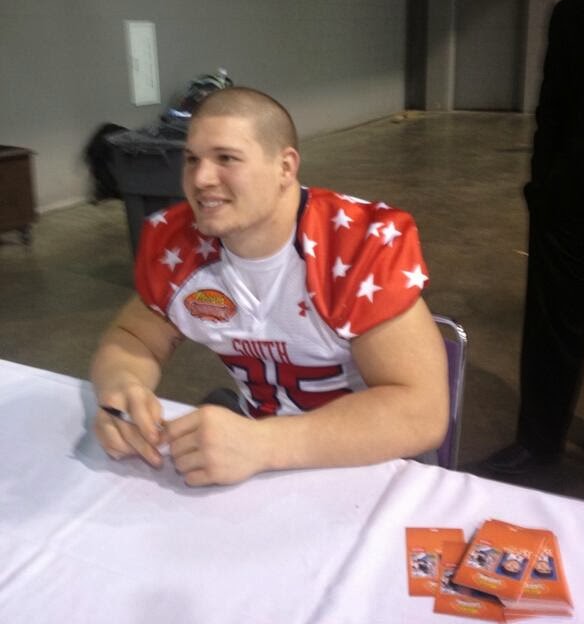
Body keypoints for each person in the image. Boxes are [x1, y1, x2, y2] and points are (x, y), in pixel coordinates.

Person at [91, 87, 449, 486]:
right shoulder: (180, 244)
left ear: (285, 167)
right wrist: (123, 388)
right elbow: (134, 338)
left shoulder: (356, 247)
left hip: (365, 465)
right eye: (192, 159)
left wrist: (263, 444)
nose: (201, 178)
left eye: (226, 158)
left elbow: (421, 412)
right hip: (257, 459)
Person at [485, 0, 584, 475]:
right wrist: (544, 186)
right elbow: (552, 108)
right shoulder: (580, 12)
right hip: (573, 199)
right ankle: (537, 442)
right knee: (553, 322)